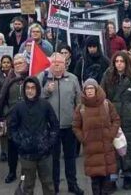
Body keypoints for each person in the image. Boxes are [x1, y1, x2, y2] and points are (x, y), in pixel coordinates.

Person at [100, 51, 131, 189]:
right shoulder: (107, 75)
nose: (119, 64)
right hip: (112, 117)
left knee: (128, 150)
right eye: (117, 61)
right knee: (113, 150)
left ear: (126, 63)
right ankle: (113, 179)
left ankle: (127, 176)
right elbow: (101, 94)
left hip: (130, 120)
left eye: (122, 61)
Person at [39, 53, 85, 195]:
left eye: (61, 62)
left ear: (66, 63)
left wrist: (79, 118)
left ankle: (73, 184)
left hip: (69, 126)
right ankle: (55, 186)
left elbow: (79, 100)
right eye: (55, 62)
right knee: (54, 159)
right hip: (51, 128)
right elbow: (36, 98)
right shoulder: (43, 78)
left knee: (70, 158)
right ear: (50, 63)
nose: (58, 65)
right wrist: (47, 91)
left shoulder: (72, 79)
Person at [8, 76, 58, 195]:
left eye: (33, 88)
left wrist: (49, 142)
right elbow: (12, 128)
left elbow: (55, 125)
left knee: (48, 184)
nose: (30, 91)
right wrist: (20, 142)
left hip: (44, 154)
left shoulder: (45, 105)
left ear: (37, 89)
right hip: (26, 155)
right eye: (27, 88)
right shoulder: (18, 107)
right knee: (27, 186)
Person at [72, 79, 120, 195]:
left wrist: (111, 135)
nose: (89, 91)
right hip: (91, 150)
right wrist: (83, 138)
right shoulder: (81, 108)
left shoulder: (106, 104)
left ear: (96, 89)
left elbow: (116, 120)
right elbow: (75, 126)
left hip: (106, 149)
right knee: (95, 183)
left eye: (91, 88)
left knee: (107, 183)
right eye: (87, 89)